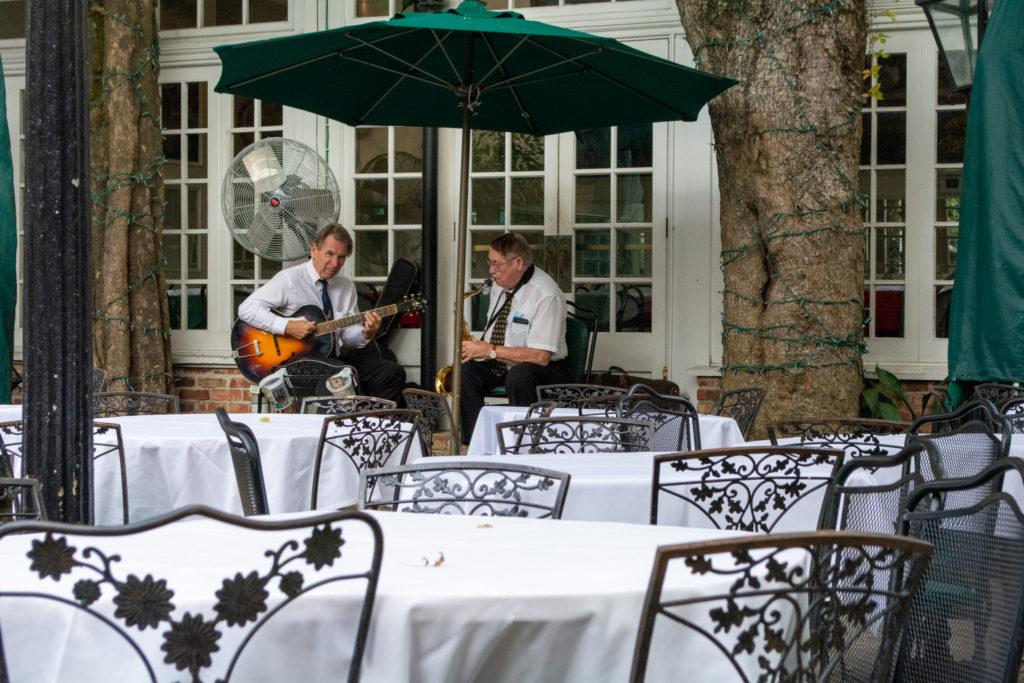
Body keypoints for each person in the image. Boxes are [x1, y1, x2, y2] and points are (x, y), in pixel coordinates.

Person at [238, 222, 406, 404]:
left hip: (332, 359)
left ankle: (373, 425)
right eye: (329, 254)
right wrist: (287, 326)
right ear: (314, 250)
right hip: (295, 363)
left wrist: (366, 333)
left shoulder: (346, 286)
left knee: (392, 373)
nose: (335, 263)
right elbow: (247, 309)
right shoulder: (289, 279)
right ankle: (341, 424)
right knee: (342, 375)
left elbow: (348, 335)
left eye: (341, 257)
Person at [459, 232, 569, 443]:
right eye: (490, 263)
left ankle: (522, 441)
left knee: (519, 376)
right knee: (465, 373)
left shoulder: (545, 293)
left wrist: (488, 350)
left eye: (496, 265)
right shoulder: (499, 286)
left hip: (545, 368)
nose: (491, 271)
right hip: (502, 361)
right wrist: (477, 348)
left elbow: (540, 356)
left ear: (518, 263)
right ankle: (476, 442)